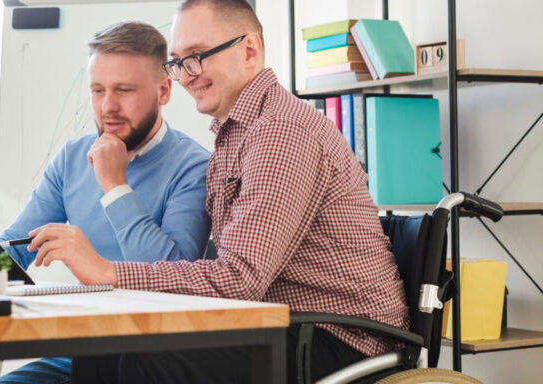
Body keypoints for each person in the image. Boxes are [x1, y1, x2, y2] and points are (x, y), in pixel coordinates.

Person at [31, 1, 410, 383]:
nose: (185, 76)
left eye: (197, 57)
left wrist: (109, 271)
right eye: (178, 62)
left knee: (144, 360)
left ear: (249, 50)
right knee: (104, 348)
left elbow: (240, 279)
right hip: (279, 323)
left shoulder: (280, 133)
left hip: (341, 338)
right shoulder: (236, 137)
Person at [0, 21, 212, 384]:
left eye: (124, 90)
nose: (108, 106)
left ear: (164, 90)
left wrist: (114, 185)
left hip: (151, 360)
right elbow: (14, 250)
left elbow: (175, 272)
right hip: (82, 352)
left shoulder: (194, 166)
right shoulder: (72, 158)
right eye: (98, 90)